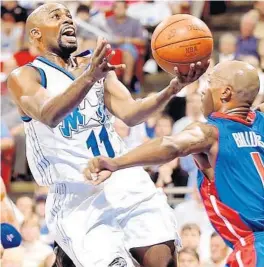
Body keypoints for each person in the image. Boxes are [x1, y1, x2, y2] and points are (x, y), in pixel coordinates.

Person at [7, 3, 206, 267]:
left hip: (125, 179)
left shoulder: (94, 65)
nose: (67, 20)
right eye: (56, 16)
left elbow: (132, 113)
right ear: (35, 34)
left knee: (163, 260)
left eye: (68, 15)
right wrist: (89, 77)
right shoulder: (26, 75)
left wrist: (172, 88)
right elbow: (48, 114)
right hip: (78, 195)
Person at [85, 60, 264, 267]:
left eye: (209, 83)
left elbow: (170, 145)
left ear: (225, 93)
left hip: (255, 248)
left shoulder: (211, 133)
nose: (202, 91)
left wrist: (117, 163)